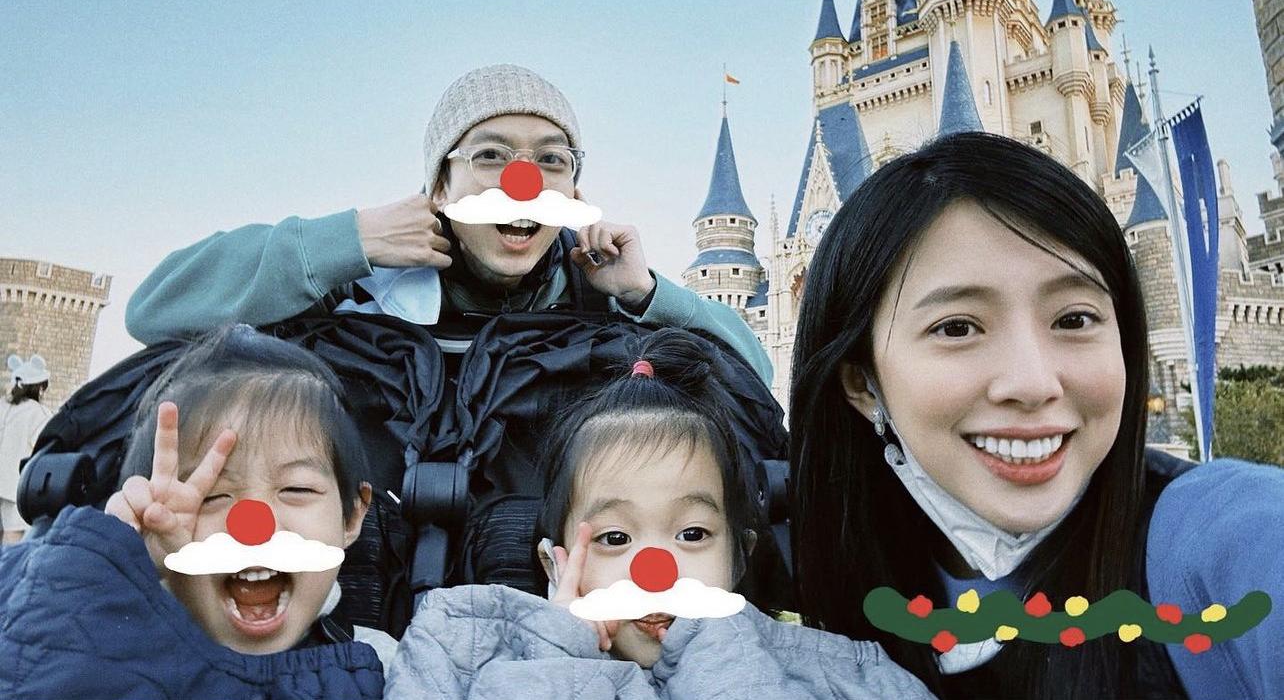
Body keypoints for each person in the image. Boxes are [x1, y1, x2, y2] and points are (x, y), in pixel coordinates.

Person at [788, 131, 1284, 700]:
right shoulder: (834, 573)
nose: (1032, 383)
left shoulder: (1219, 539)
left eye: (1074, 319)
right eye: (957, 328)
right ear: (863, 383)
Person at [123, 63, 771, 386]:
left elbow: (756, 378)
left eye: (550, 160)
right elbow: (156, 310)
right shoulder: (360, 286)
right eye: (490, 156)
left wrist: (647, 295)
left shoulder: (602, 300)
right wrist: (346, 241)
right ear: (438, 186)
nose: (522, 182)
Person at [385, 329, 932, 699]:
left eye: (692, 533)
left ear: (739, 554)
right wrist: (563, 653)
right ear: (555, 565)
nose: (656, 572)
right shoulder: (467, 654)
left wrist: (719, 657)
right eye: (614, 538)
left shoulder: (842, 673)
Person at [0, 325, 395, 698]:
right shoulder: (101, 636)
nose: (255, 526)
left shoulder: (391, 668)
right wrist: (111, 566)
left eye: (297, 489)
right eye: (210, 497)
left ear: (351, 517)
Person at [1, 354, 54, 545]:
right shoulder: (39, 413)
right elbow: (45, 448)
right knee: (12, 539)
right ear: (39, 387)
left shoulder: (2, 405)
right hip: (15, 487)